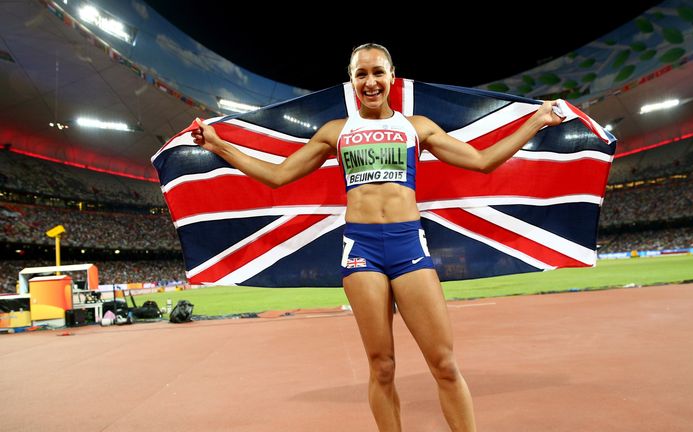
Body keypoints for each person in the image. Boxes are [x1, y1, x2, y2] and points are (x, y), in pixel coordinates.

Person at [192, 42, 564, 432]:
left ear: (392, 77)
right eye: (361, 74)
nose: (370, 82)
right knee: (382, 367)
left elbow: (483, 161)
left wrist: (537, 120)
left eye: (377, 72)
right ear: (351, 80)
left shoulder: (416, 127)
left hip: (408, 246)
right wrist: (218, 144)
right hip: (361, 250)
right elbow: (278, 175)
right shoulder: (335, 132)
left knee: (444, 364)